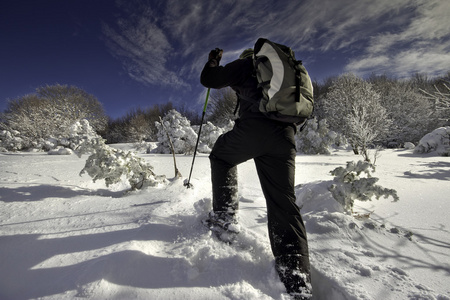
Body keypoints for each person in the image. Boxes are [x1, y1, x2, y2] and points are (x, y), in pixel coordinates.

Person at [200, 46, 312, 299]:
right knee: (283, 201)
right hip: (285, 136)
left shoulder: (245, 65)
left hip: (254, 129)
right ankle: (297, 279)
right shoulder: (284, 76)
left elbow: (209, 80)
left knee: (220, 155)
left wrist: (213, 63)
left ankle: (224, 217)